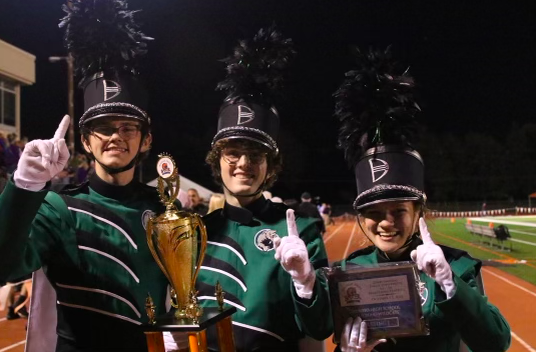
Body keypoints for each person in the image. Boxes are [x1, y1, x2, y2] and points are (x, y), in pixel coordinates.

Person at [0, 1, 171, 351]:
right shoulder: (58, 208)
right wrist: (24, 187)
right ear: (86, 142)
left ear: (146, 140)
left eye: (128, 127)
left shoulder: (168, 212)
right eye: (103, 128)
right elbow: (5, 266)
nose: (115, 136)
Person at [332, 46, 511, 352]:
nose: (386, 223)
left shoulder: (457, 265)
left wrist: (448, 282)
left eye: (398, 210)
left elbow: (496, 342)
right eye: (374, 212)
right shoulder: (352, 269)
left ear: (418, 211)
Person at [167, 26, 332, 352]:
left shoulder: (303, 233)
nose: (244, 163)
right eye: (233, 153)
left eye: (256, 155)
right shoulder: (196, 234)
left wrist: (306, 282)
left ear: (270, 166)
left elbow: (321, 327)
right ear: (218, 160)